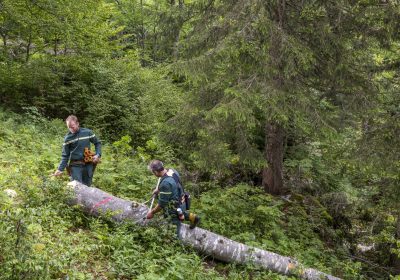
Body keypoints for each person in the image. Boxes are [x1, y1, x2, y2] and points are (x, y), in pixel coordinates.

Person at [146, 160, 200, 238]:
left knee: (173, 230)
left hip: (175, 208)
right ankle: (194, 218)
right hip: (182, 201)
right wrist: (158, 190)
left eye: (153, 172)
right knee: (181, 213)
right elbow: (172, 184)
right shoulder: (172, 171)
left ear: (155, 171)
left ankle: (175, 241)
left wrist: (152, 212)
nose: (153, 174)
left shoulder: (165, 184)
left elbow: (162, 204)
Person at [53, 115, 101, 186]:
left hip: (88, 164)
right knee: (76, 187)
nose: (71, 129)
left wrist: (97, 154)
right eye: (69, 127)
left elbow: (97, 143)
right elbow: (65, 156)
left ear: (77, 123)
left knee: (87, 187)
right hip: (75, 166)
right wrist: (60, 169)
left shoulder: (87, 132)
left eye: (72, 126)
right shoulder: (67, 139)